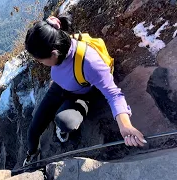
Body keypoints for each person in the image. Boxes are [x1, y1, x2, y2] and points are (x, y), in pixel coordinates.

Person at [23, 14, 147, 165]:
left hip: (81, 93)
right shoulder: (58, 41)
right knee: (33, 131)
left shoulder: (90, 63)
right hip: (60, 87)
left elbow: (113, 94)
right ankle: (32, 154)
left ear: (53, 54)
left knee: (65, 122)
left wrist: (125, 125)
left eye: (40, 60)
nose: (40, 63)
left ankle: (65, 125)